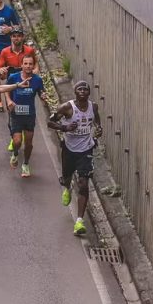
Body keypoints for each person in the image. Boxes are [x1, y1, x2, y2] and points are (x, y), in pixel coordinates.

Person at [48, 80, 102, 236]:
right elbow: (50, 122)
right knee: (66, 177)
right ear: (75, 92)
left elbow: (97, 120)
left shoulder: (93, 107)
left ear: (89, 93)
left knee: (83, 183)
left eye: (85, 89)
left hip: (86, 150)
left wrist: (98, 129)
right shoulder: (67, 108)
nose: (83, 92)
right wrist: (65, 127)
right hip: (69, 150)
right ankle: (67, 186)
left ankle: (79, 221)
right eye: (80, 89)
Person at [5, 54, 46, 177]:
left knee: (28, 143)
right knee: (17, 141)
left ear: (33, 66)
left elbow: (41, 92)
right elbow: (6, 90)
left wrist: (43, 96)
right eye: (26, 63)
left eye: (30, 64)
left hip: (29, 115)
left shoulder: (37, 80)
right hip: (16, 114)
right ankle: (15, 154)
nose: (28, 66)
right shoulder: (13, 77)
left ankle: (26, 164)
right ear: (21, 65)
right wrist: (9, 101)